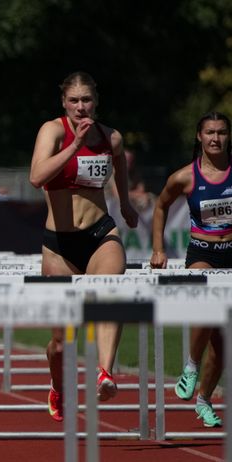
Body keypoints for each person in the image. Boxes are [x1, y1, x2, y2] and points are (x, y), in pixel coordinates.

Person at [29, 72, 138, 422]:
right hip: (59, 245)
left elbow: (118, 161)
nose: (80, 106)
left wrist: (124, 203)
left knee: (110, 291)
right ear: (64, 102)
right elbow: (36, 177)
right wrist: (74, 146)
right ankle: (58, 385)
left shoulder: (111, 137)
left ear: (96, 101)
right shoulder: (54, 131)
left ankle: (105, 372)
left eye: (86, 100)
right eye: (74, 100)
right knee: (61, 343)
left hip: (99, 234)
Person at [150, 112, 231, 428]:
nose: (215, 138)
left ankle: (204, 399)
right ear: (199, 136)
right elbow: (160, 207)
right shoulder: (185, 176)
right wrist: (159, 248)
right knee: (207, 308)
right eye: (210, 132)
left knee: (223, 347)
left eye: (222, 132)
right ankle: (191, 365)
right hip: (203, 253)